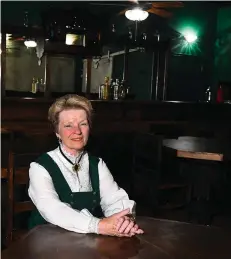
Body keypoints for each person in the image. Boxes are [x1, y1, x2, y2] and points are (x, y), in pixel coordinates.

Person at [28, 94, 144, 237]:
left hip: (86, 242)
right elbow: (52, 209)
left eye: (83, 124)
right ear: (57, 132)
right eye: (68, 125)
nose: (77, 131)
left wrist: (122, 221)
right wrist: (99, 225)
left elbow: (114, 199)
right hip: (47, 243)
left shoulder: (97, 164)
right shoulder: (40, 167)